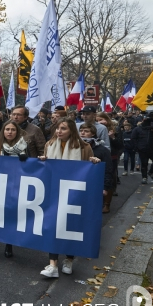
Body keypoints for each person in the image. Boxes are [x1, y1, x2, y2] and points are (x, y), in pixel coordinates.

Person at [39, 118, 100, 278]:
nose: (59, 131)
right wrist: (43, 161)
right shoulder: (49, 145)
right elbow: (45, 169)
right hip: (54, 192)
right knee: (53, 226)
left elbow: (89, 167)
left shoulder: (84, 147)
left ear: (71, 130)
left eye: (63, 128)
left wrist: (94, 162)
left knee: (71, 227)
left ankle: (69, 260)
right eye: (58, 128)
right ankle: (53, 265)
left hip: (74, 195)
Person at [0, 120, 29, 258]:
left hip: (15, 185)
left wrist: (25, 160)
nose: (9, 132)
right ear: (3, 131)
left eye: (13, 130)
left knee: (10, 216)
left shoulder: (24, 147)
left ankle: (9, 244)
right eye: (7, 129)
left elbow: (31, 168)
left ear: (17, 132)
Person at [79, 123, 114, 213]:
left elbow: (108, 169)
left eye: (86, 131)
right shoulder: (74, 147)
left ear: (93, 134)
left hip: (94, 184)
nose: (82, 133)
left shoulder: (102, 150)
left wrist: (105, 187)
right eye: (81, 131)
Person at [131, 113, 153, 185]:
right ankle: (144, 177)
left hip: (152, 149)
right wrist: (137, 147)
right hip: (142, 149)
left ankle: (150, 172)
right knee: (144, 164)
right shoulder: (138, 128)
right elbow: (133, 138)